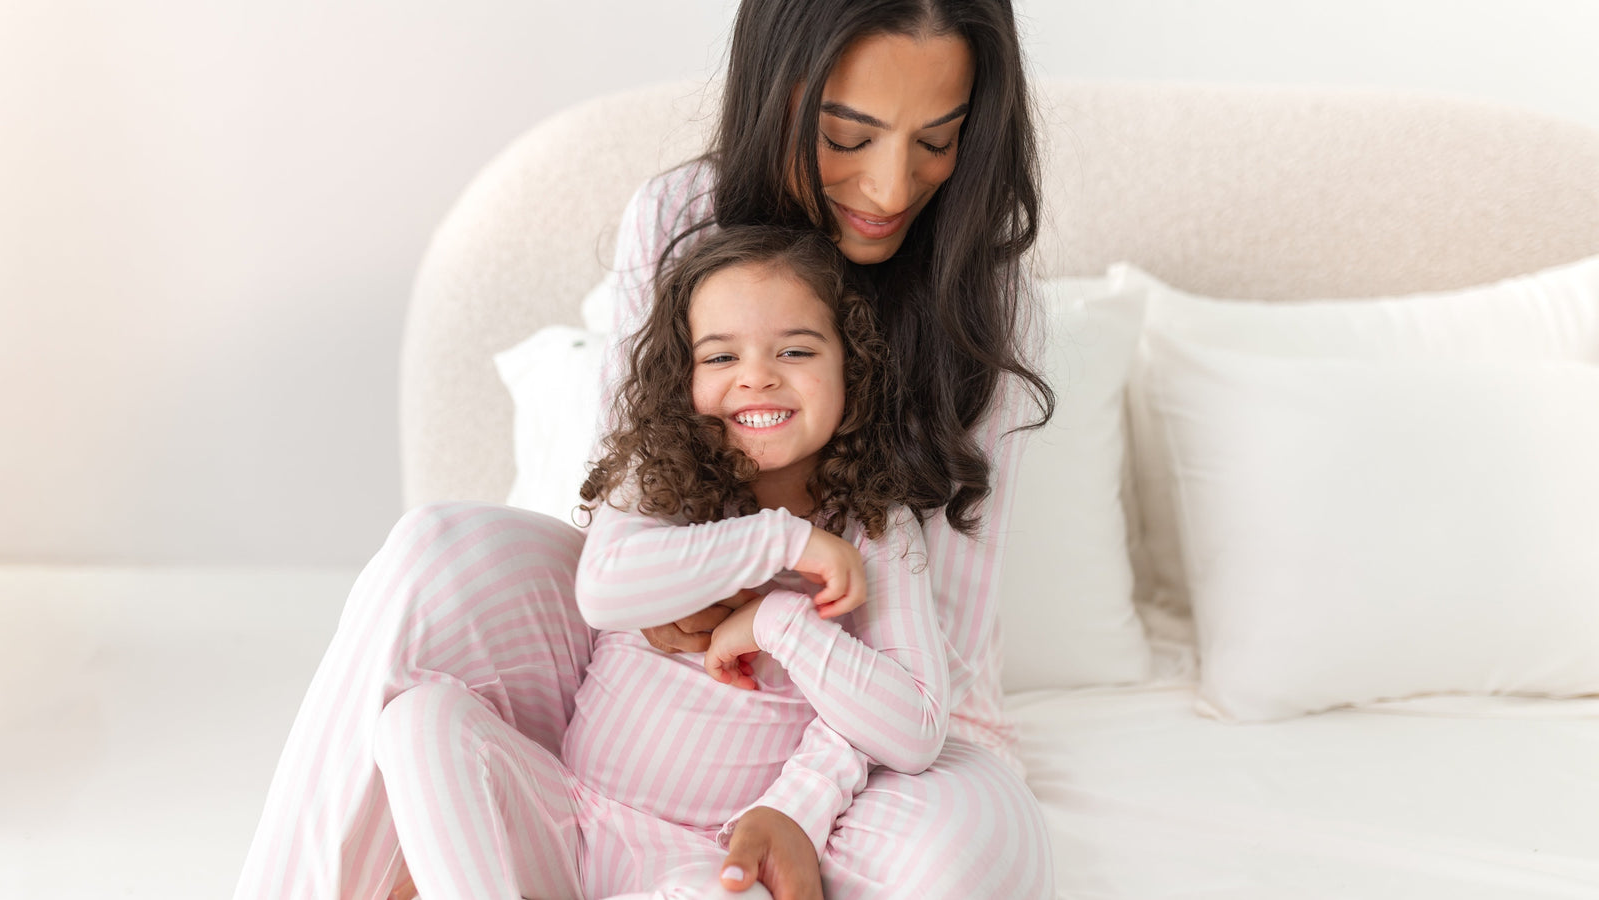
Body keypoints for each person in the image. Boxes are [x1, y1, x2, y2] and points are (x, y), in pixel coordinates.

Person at [233, 0, 1055, 897]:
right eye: (847, 137)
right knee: (431, 560)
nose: (893, 189)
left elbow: (942, 656)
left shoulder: (981, 303)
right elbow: (630, 520)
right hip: (630, 669)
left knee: (966, 843)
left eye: (938, 140)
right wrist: (716, 568)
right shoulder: (679, 215)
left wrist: (794, 788)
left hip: (852, 709)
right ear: (776, 92)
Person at [375, 224, 951, 898]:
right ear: (681, 378)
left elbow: (914, 731)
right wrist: (782, 542)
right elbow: (606, 591)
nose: (757, 376)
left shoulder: (879, 529)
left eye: (795, 350)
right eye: (719, 358)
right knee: (419, 718)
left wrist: (778, 622)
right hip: (568, 807)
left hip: (695, 857)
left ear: (852, 367)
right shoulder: (660, 484)